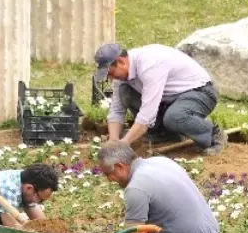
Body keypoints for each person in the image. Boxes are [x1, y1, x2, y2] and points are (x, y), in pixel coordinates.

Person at [93, 42, 227, 156]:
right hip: (169, 98)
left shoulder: (149, 65)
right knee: (125, 91)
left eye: (111, 73)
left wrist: (124, 144)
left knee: (174, 117)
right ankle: (165, 133)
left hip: (200, 91)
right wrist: (114, 140)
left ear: (121, 62)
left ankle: (214, 135)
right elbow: (116, 110)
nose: (111, 79)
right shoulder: (121, 74)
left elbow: (146, 116)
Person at [96, 141, 219, 233]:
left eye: (108, 174)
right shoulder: (161, 161)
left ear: (119, 166)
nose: (109, 180)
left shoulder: (136, 187)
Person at [0, 163, 60, 227]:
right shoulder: (9, 188)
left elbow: (40, 221)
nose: (39, 203)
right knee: (1, 231)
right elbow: (11, 225)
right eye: (40, 199)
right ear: (29, 188)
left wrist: (49, 232)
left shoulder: (27, 181)